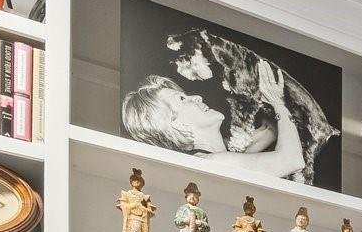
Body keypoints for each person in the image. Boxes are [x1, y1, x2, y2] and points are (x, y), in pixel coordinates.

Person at [120, 57, 305, 180]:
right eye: (182, 99)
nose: (196, 97)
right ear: (178, 124)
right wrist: (278, 103)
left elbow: (268, 132)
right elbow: (291, 160)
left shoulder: (218, 157)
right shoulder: (213, 163)